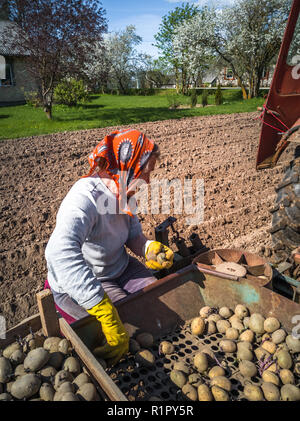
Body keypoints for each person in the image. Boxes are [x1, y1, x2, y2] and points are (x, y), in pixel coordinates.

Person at [45, 129, 174, 366]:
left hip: (119, 267)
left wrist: (148, 248)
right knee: (127, 325)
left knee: (159, 302)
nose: (147, 181)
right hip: (88, 280)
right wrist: (100, 305)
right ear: (128, 166)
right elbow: (58, 254)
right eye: (145, 173)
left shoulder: (124, 192)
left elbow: (132, 234)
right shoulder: (84, 199)